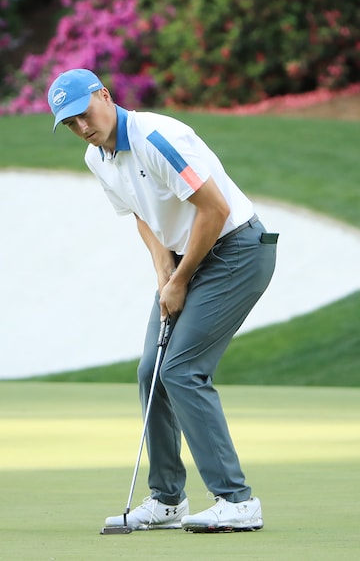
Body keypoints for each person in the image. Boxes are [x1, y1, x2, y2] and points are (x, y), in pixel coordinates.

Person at [47, 68, 277, 533]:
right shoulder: (98, 157)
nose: (82, 128)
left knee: (182, 370)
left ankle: (237, 501)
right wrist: (163, 269)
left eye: (83, 114)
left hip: (236, 252)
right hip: (186, 258)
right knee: (152, 370)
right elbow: (142, 216)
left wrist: (181, 277)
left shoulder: (157, 136)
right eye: (69, 124)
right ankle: (168, 500)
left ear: (104, 96)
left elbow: (215, 209)